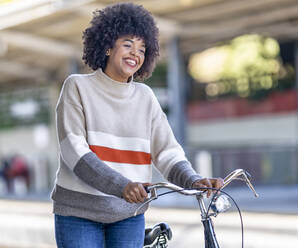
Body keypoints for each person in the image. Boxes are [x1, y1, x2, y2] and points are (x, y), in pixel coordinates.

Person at [51, 3, 223, 248]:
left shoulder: (145, 97)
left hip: (128, 213)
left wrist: (193, 180)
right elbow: (74, 151)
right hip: (79, 213)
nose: (135, 53)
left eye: (142, 49)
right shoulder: (77, 86)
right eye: (128, 44)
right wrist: (121, 186)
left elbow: (167, 151)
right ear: (108, 46)